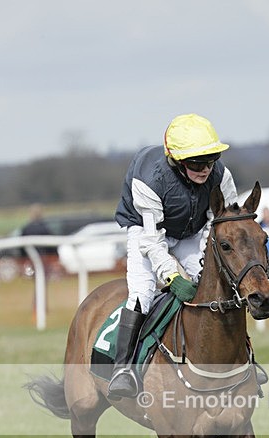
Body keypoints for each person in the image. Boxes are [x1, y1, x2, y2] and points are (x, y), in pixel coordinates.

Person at [108, 113, 238, 399]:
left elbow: (223, 222)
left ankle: (241, 360)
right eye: (196, 163)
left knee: (215, 289)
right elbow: (153, 243)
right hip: (146, 231)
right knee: (141, 293)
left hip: (192, 231)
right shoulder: (149, 180)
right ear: (177, 162)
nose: (205, 169)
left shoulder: (221, 175)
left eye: (210, 160)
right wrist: (173, 277)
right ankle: (123, 369)